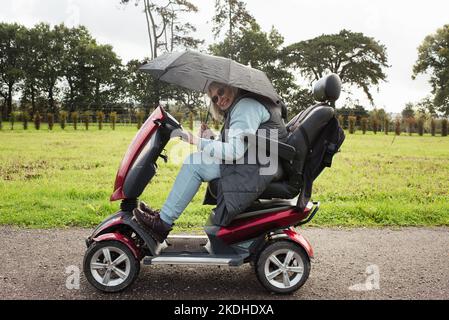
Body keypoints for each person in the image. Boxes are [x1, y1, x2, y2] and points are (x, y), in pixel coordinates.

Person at [134, 82, 288, 242]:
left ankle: (163, 223)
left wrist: (197, 141)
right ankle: (164, 217)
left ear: (232, 86)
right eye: (214, 98)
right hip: (258, 163)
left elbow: (234, 152)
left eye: (221, 92)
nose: (219, 99)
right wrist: (210, 137)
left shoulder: (245, 107)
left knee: (194, 163)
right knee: (196, 162)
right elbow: (239, 143)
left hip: (256, 167)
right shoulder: (246, 103)